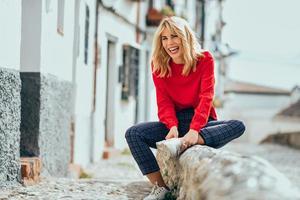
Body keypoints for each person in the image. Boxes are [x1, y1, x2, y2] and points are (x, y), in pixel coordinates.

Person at [125, 16, 245, 200]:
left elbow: (206, 97)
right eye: (164, 38)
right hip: (175, 123)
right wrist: (172, 126)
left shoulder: (205, 59)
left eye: (174, 36)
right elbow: (163, 101)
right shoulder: (158, 64)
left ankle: (198, 139)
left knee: (238, 125)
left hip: (202, 124)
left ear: (185, 37)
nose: (169, 43)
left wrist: (195, 131)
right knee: (133, 134)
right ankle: (161, 188)